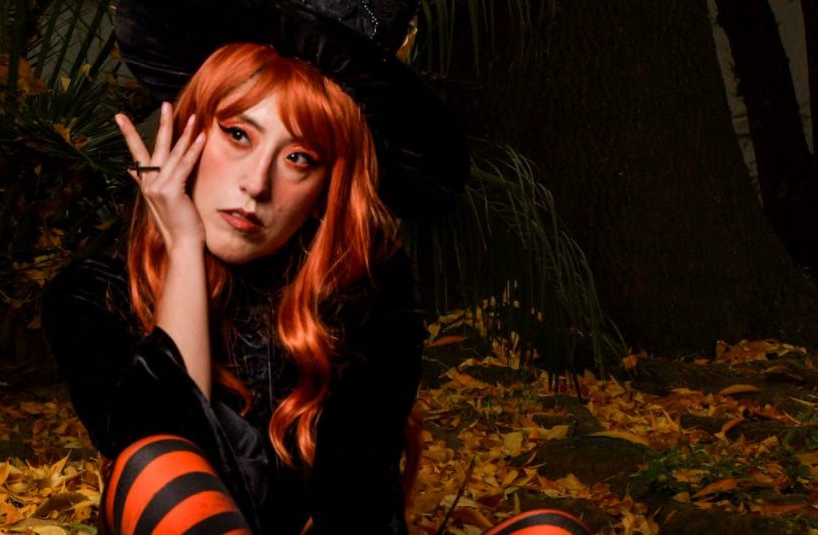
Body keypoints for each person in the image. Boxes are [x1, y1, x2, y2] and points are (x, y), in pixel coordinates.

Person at [42, 0, 594, 533]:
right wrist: (184, 247)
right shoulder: (89, 297)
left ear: (324, 190)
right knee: (156, 466)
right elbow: (165, 444)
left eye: (298, 158)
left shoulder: (367, 302)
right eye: (238, 135)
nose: (256, 183)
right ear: (188, 134)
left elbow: (357, 507)